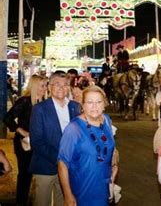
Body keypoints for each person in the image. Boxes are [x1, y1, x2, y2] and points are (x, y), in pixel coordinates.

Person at [29, 72, 81, 206]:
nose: (61, 88)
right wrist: (59, 160)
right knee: (42, 202)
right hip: (46, 165)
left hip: (70, 167)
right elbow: (37, 141)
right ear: (49, 87)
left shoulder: (75, 107)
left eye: (65, 85)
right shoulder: (39, 109)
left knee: (63, 201)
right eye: (57, 84)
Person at [58, 86, 116, 206]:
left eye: (99, 102)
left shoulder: (107, 120)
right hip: (83, 189)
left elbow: (112, 151)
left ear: (104, 104)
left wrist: (113, 176)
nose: (95, 106)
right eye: (90, 102)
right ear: (83, 105)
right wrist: (68, 195)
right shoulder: (74, 129)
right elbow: (62, 163)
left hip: (103, 188)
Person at [3, 74, 48, 206]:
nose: (44, 88)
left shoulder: (45, 103)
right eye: (42, 85)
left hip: (40, 143)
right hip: (25, 143)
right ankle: (21, 201)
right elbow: (7, 118)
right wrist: (21, 131)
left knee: (39, 174)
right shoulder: (25, 101)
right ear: (34, 86)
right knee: (25, 174)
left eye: (46, 85)